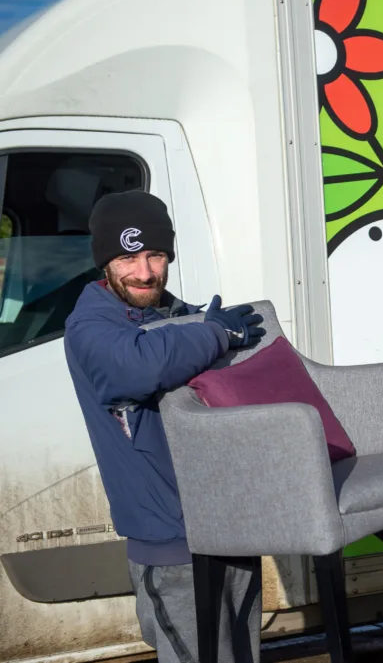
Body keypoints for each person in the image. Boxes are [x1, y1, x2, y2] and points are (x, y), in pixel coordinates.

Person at [64, 190, 266, 663]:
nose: (145, 271)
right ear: (104, 262)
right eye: (128, 257)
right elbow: (135, 368)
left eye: (155, 255)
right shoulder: (90, 324)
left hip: (230, 528)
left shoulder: (173, 312)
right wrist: (214, 333)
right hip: (170, 545)